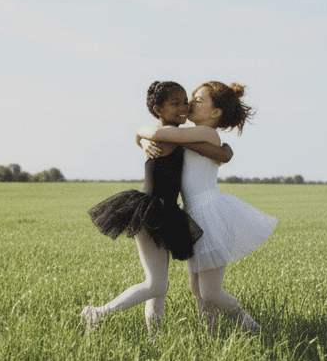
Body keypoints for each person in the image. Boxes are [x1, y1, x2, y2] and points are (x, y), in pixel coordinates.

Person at [83, 82, 233, 335]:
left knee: (159, 287)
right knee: (155, 285)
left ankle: (154, 338)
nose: (184, 107)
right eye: (176, 103)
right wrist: (224, 151)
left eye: (185, 102)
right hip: (152, 211)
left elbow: (153, 134)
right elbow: (211, 150)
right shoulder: (167, 134)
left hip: (165, 211)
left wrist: (141, 137)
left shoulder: (169, 133)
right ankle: (97, 313)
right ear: (158, 109)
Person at [138, 81, 276, 332]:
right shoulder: (189, 133)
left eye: (199, 100)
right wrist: (142, 141)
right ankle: (210, 334)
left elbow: (158, 134)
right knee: (197, 288)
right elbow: (161, 136)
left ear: (215, 113)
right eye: (191, 97)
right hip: (193, 215)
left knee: (211, 292)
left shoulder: (206, 134)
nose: (191, 103)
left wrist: (141, 134)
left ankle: (255, 329)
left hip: (209, 213)